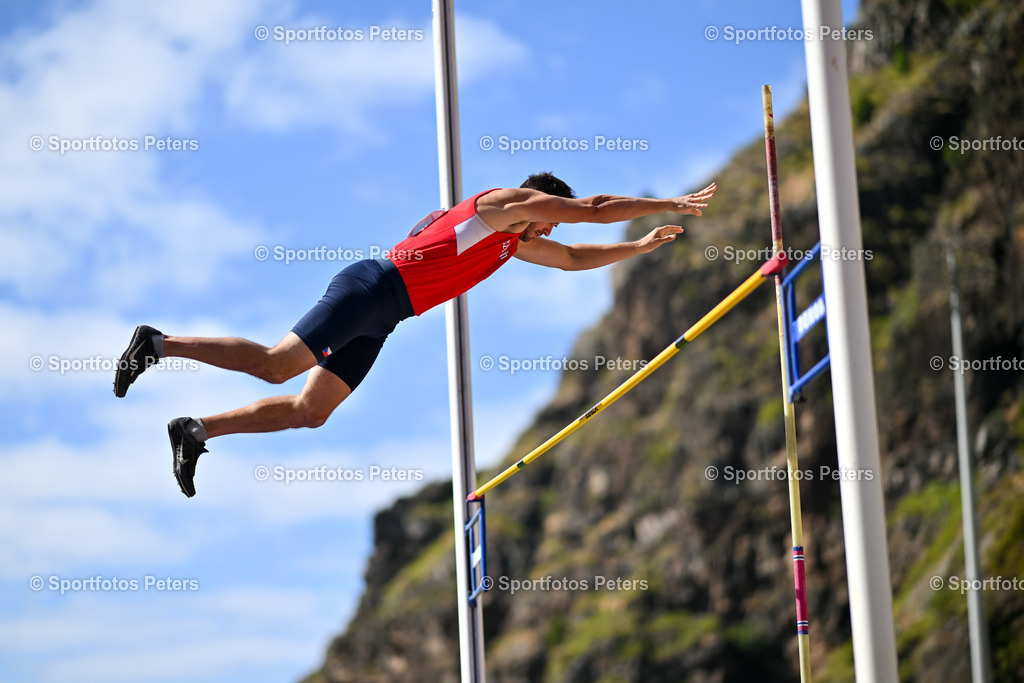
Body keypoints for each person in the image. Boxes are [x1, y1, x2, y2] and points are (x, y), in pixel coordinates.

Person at [114, 172, 716, 497]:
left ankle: (196, 430)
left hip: (386, 316)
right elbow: (597, 208)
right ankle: (157, 344)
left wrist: (638, 246)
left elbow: (574, 258)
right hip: (372, 288)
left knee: (310, 411)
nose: (550, 233)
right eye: (552, 220)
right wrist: (669, 203)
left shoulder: (511, 243)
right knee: (276, 365)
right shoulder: (502, 206)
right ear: (541, 205)